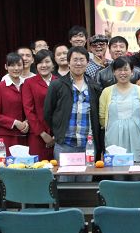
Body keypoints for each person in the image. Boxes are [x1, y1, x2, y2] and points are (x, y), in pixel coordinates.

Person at [44, 46, 102, 182]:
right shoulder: (57, 85)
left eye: (82, 60)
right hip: (65, 144)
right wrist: (58, 130)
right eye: (75, 60)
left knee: (85, 185)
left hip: (88, 145)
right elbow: (48, 112)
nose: (78, 63)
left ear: (87, 63)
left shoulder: (94, 86)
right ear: (68, 62)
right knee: (64, 184)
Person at [100, 57, 140, 162]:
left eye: (126, 69)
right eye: (119, 70)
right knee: (116, 167)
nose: (122, 73)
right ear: (114, 72)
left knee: (138, 167)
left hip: (137, 137)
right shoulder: (106, 92)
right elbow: (102, 117)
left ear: (132, 72)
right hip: (114, 137)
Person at [0, 53, 29, 155]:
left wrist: (27, 122)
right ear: (6, 67)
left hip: (26, 135)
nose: (16, 68)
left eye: (19, 65)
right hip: (6, 137)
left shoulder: (27, 85)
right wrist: (15, 122)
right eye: (12, 65)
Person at [21, 49, 57, 161]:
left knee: (58, 167)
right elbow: (29, 111)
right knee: (37, 166)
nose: (44, 65)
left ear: (53, 64)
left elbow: (63, 109)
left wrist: (56, 134)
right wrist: (42, 133)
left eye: (47, 62)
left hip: (58, 135)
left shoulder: (59, 81)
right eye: (40, 62)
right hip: (37, 134)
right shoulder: (29, 83)